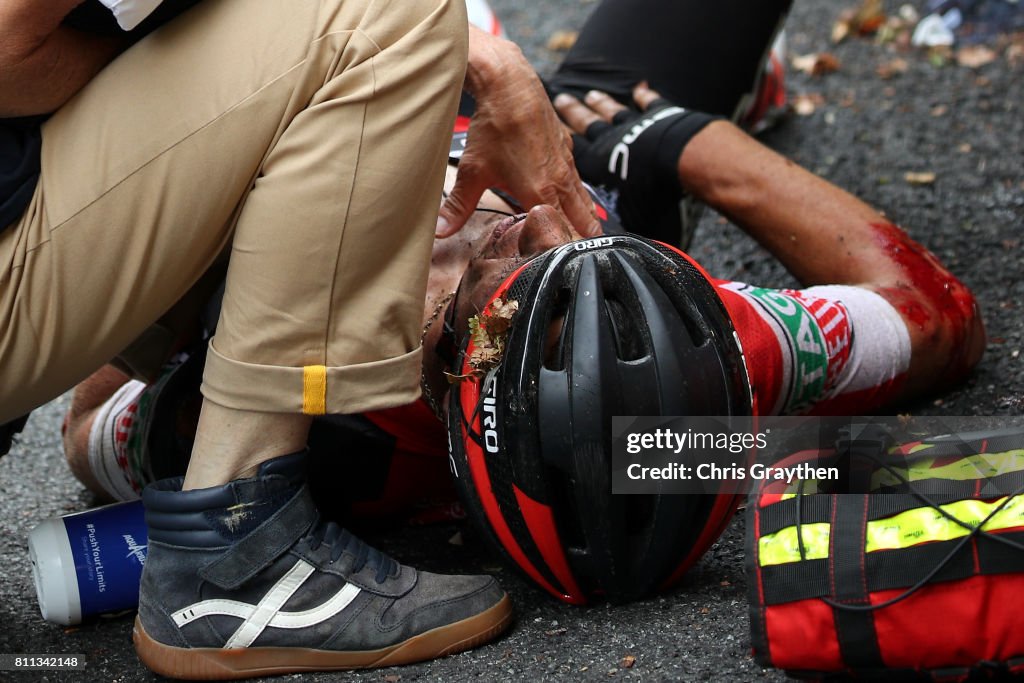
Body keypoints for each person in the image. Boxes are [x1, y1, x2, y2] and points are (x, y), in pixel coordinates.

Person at [0, 0, 602, 678]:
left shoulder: (380, 450)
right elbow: (6, 46)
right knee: (395, 18)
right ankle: (237, 554)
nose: (541, 236)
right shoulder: (365, 445)